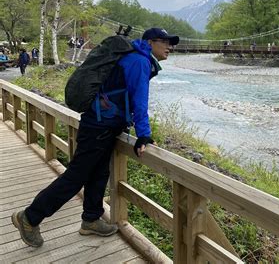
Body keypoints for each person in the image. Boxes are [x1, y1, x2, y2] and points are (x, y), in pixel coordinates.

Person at [11, 27, 179, 248]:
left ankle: (91, 219)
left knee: (99, 173)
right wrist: (144, 135)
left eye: (171, 43)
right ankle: (30, 218)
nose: (169, 47)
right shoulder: (139, 61)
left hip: (104, 124)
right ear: (149, 43)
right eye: (164, 42)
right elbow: (140, 100)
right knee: (76, 177)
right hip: (100, 126)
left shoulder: (134, 58)